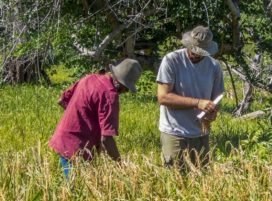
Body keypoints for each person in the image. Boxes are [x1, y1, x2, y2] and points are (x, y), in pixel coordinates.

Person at [49, 58, 142, 180]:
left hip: (63, 140)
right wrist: (120, 167)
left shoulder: (90, 78)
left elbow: (61, 101)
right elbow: (106, 139)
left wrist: (81, 119)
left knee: (82, 186)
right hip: (75, 148)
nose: (127, 90)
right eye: (127, 87)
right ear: (119, 83)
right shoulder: (110, 96)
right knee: (76, 190)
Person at [156, 25, 224, 167]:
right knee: (174, 177)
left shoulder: (214, 66)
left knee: (200, 178)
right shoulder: (171, 60)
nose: (195, 54)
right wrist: (198, 103)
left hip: (200, 133)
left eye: (200, 52)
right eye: (193, 49)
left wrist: (213, 112)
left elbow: (216, 99)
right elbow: (163, 97)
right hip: (174, 131)